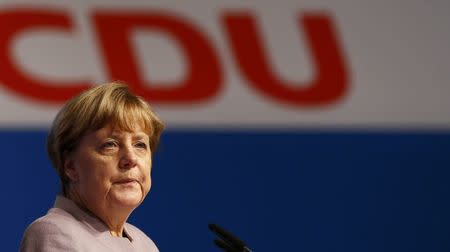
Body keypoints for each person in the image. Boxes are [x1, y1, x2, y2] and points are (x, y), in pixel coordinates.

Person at [20, 82, 164, 251]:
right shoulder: (56, 232)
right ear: (71, 167)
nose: (131, 158)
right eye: (110, 145)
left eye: (140, 145)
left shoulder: (144, 244)